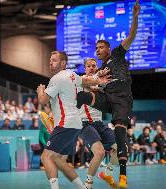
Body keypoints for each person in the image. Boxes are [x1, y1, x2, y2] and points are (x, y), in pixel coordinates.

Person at [76, 1, 140, 187]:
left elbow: (131, 35)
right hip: (107, 100)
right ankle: (58, 123)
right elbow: (93, 85)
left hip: (121, 101)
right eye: (96, 49)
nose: (97, 50)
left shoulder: (118, 55)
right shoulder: (100, 71)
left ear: (108, 49)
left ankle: (118, 176)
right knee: (82, 96)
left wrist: (135, 17)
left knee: (120, 139)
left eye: (100, 47)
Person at [37, 51, 110, 189]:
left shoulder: (56, 79)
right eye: (50, 60)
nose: (50, 62)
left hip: (66, 123)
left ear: (63, 63)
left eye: (54, 60)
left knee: (46, 157)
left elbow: (43, 100)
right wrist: (98, 80)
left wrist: (40, 90)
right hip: (76, 124)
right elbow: (86, 81)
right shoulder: (72, 74)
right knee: (59, 160)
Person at [79, 58, 117, 189]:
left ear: (96, 67)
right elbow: (89, 85)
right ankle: (88, 184)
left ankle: (107, 173)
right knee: (100, 153)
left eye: (93, 66)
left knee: (121, 149)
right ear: (85, 69)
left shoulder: (100, 82)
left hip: (99, 123)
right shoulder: (81, 80)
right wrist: (100, 84)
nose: (91, 68)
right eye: (88, 66)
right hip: (85, 124)